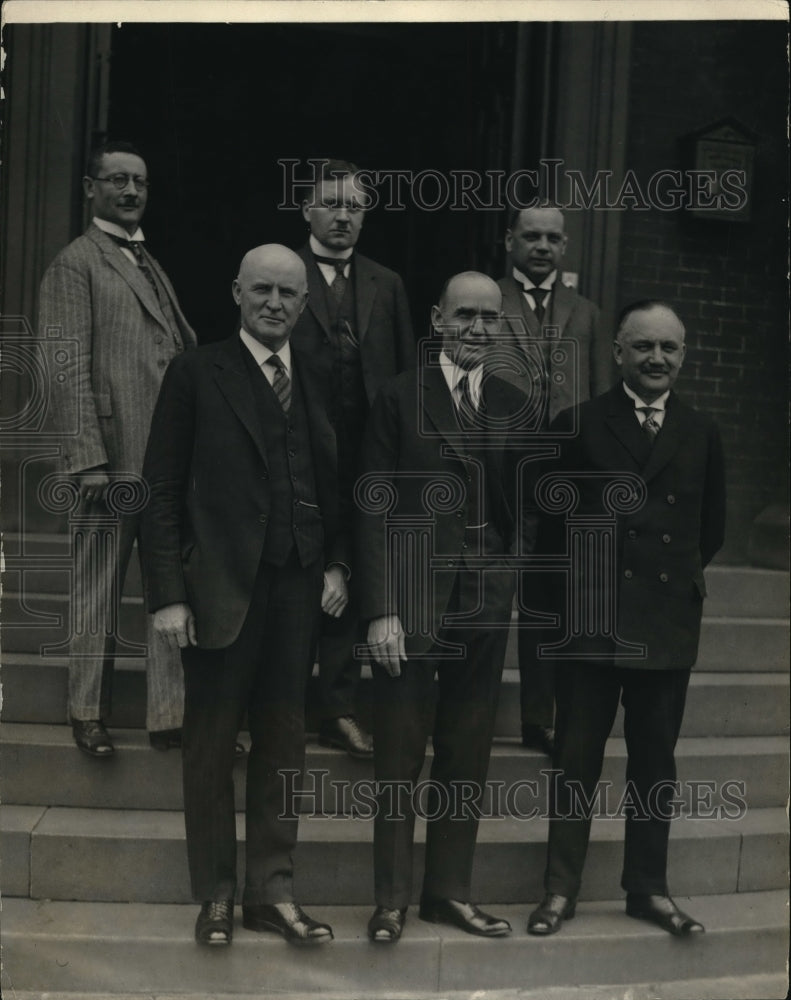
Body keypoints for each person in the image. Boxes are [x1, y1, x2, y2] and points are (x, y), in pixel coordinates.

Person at [141, 245, 349, 947]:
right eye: (261, 289)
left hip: (296, 589)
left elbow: (332, 479)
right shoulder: (196, 373)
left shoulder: (318, 377)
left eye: (288, 293)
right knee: (208, 745)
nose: (275, 303)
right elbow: (161, 491)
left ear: (303, 303)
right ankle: (218, 895)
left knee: (285, 742)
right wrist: (168, 594)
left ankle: (273, 891)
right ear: (236, 291)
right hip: (218, 591)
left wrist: (337, 563)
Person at [527, 300, 725, 938]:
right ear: (617, 352)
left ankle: (648, 887)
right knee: (576, 760)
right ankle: (560, 890)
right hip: (590, 621)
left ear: (684, 355)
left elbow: (709, 528)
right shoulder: (578, 424)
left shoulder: (701, 430)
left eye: (669, 348)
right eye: (643, 347)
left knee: (654, 764)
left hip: (665, 624)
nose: (657, 359)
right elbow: (547, 529)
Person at [356, 272, 525, 943]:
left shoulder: (513, 401)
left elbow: (527, 502)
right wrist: (381, 609)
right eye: (464, 315)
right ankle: (391, 899)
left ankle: (447, 894)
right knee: (399, 752)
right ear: (436, 318)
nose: (477, 329)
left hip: (483, 599)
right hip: (413, 599)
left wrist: (507, 569)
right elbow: (370, 502)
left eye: (489, 317)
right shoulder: (399, 398)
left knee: (467, 749)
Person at [39, 139, 197, 757]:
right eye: (117, 181)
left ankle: (169, 717)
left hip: (162, 462)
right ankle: (86, 713)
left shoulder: (145, 260)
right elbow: (63, 364)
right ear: (90, 188)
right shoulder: (76, 263)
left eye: (139, 182)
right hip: (109, 461)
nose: (130, 192)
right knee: (97, 589)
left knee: (169, 589)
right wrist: (88, 459)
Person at [293, 159, 415, 759]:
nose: (343, 215)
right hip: (297, 448)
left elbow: (401, 372)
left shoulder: (386, 284)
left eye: (355, 206)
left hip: (368, 453)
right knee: (296, 571)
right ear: (307, 210)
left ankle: (337, 709)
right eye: (331, 203)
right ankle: (282, 703)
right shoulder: (282, 273)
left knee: (352, 574)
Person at [498, 203, 612, 757]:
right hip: (499, 468)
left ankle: (539, 718)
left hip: (565, 475)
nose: (542, 246)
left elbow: (600, 399)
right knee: (488, 587)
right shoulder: (486, 301)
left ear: (564, 247)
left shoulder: (586, 313)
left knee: (550, 598)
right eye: (531, 236)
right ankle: (461, 704)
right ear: (510, 241)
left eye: (552, 238)